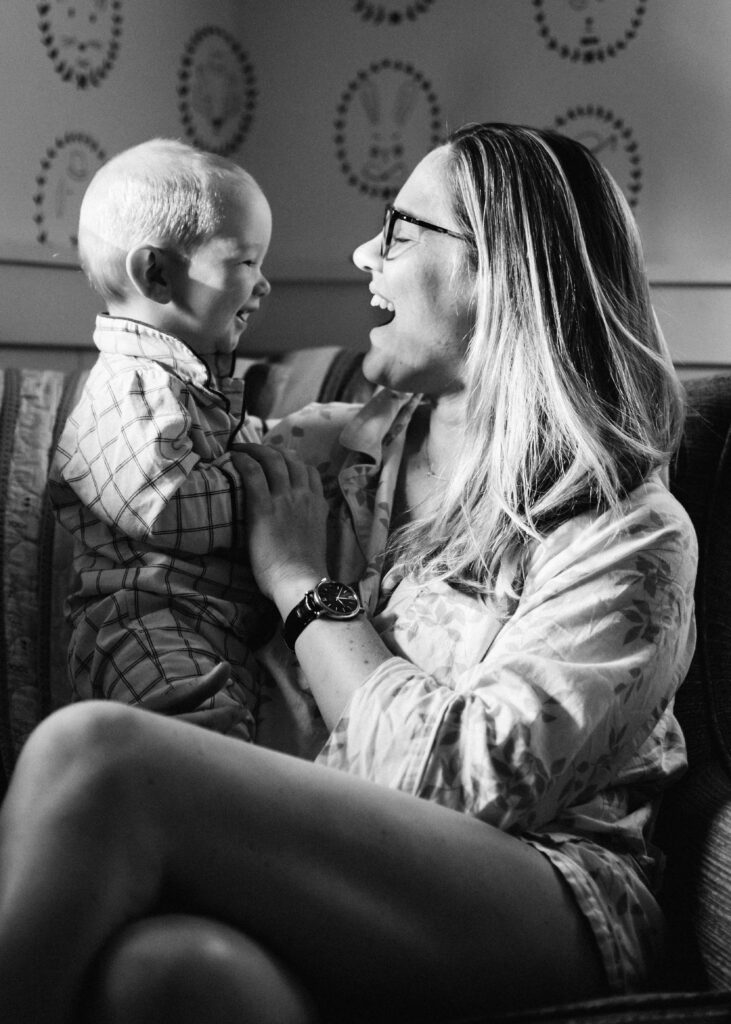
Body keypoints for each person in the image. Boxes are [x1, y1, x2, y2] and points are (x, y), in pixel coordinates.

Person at [0, 123, 696, 1024]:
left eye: (401, 229)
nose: (364, 252)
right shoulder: (338, 452)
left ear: (500, 269)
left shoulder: (629, 534)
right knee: (170, 974)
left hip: (544, 895)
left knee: (95, 755)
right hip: (332, 883)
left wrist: (296, 580)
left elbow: (463, 786)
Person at [48, 138, 276, 740]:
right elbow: (168, 503)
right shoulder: (128, 386)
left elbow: (226, 450)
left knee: (244, 750)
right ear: (156, 273)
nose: (265, 285)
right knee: (200, 751)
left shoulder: (187, 379)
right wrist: (271, 484)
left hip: (209, 622)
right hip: (142, 623)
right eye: (246, 262)